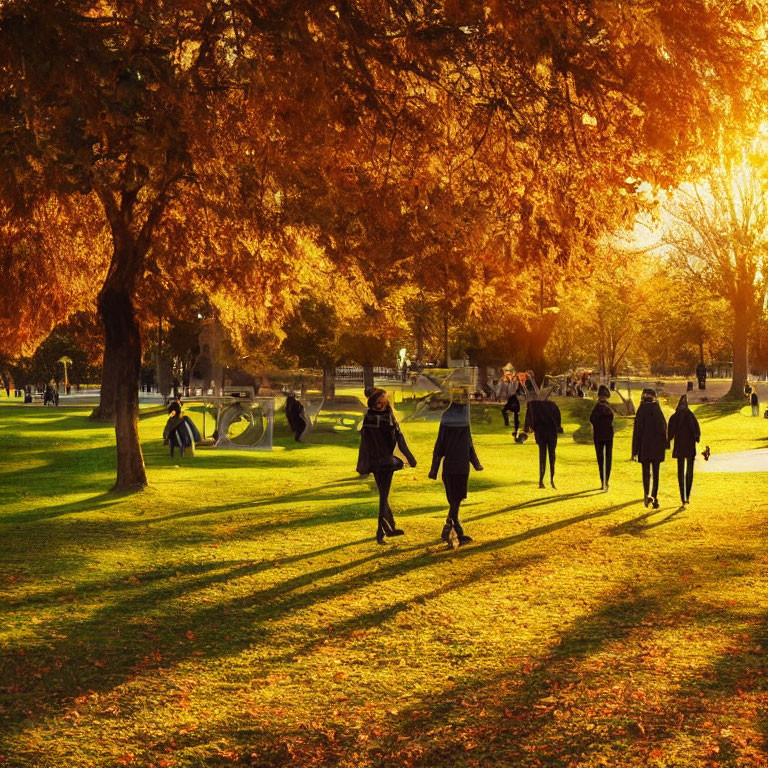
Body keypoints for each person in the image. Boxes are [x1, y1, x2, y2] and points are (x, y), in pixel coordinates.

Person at [356, 388, 417, 545]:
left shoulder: (386, 416)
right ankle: (380, 532)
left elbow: (399, 437)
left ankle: (388, 528)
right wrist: (365, 464)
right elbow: (366, 443)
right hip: (379, 462)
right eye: (382, 399)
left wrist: (410, 457)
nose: (385, 401)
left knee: (384, 496)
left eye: (385, 399)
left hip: (385, 461)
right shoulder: (373, 418)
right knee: (383, 497)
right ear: (376, 402)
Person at [428, 399, 483, 546]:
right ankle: (453, 526)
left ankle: (453, 527)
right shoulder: (463, 422)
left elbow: (440, 445)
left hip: (452, 465)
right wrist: (476, 463)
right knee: (456, 499)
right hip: (460, 465)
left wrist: (434, 469)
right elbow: (469, 445)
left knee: (454, 498)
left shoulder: (446, 421)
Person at [631, 388, 667, 509]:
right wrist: (665, 445)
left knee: (646, 473)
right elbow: (664, 428)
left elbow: (637, 432)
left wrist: (634, 451)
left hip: (644, 447)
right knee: (656, 473)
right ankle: (655, 496)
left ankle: (647, 494)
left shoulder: (641, 410)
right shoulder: (657, 409)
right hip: (657, 448)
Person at [666, 394, 701, 507]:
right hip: (690, 447)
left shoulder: (675, 416)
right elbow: (697, 432)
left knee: (681, 472)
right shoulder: (691, 416)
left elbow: (670, 433)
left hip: (679, 447)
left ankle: (683, 496)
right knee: (689, 472)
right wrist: (696, 437)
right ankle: (687, 496)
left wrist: (667, 442)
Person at [524, 392, 563, 489]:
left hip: (541, 433)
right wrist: (558, 427)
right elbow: (558, 420)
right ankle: (551, 479)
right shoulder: (553, 406)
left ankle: (541, 480)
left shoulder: (533, 405)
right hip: (551, 433)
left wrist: (529, 428)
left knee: (542, 456)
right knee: (552, 456)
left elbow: (528, 419)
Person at [589, 384, 614, 491]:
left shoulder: (596, 408)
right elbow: (612, 419)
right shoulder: (609, 409)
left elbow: (592, 419)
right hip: (608, 435)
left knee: (600, 459)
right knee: (608, 459)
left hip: (598, 436)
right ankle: (606, 481)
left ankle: (603, 481)